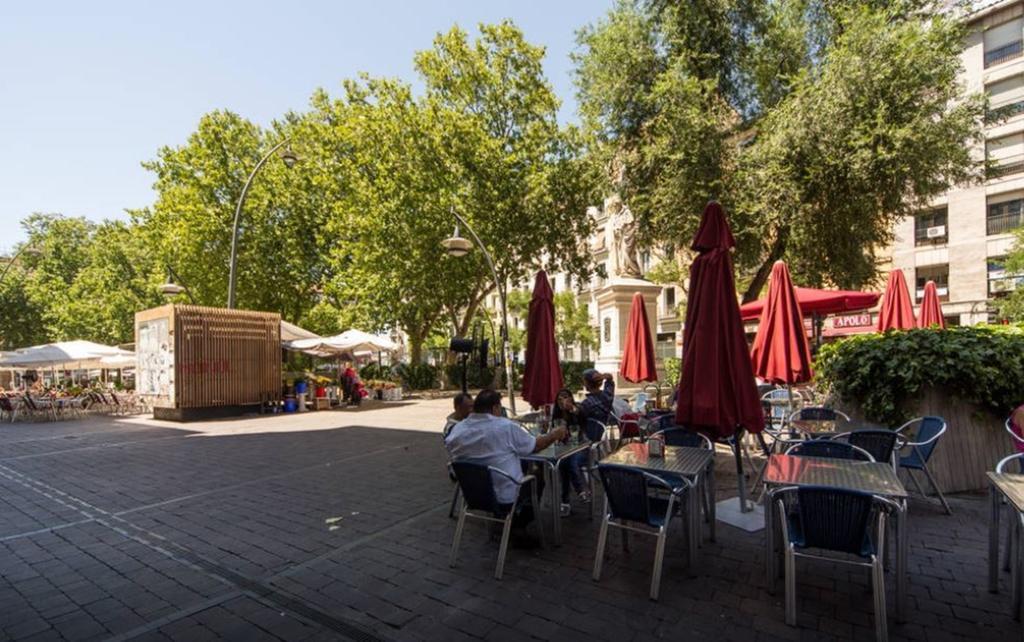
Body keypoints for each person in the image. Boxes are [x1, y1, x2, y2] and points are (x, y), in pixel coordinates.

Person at [445, 389, 567, 540]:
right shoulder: (504, 426)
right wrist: (554, 434)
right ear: (495, 408)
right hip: (503, 496)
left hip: (474, 494)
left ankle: (502, 519)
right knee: (537, 476)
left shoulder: (457, 429)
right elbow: (535, 446)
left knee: (521, 464)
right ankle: (518, 524)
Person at [551, 388, 589, 516]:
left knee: (567, 461)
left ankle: (565, 501)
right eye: (560, 399)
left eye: (566, 397)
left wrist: (572, 409)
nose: (563, 401)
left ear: (571, 399)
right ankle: (580, 492)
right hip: (565, 448)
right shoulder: (556, 415)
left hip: (582, 447)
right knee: (565, 462)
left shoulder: (577, 409)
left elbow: (582, 415)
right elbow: (554, 432)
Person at [579, 369, 615, 441]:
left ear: (587, 383)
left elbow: (579, 418)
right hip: (600, 433)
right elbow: (610, 380)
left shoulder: (586, 403)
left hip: (588, 436)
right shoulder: (608, 396)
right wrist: (603, 376)